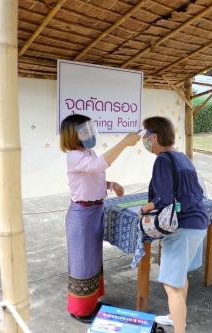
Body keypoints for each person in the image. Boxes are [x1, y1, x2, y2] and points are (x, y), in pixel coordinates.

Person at [59, 114, 140, 323]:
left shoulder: (88, 152)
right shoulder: (74, 155)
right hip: (82, 216)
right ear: (72, 135)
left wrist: (111, 185)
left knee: (93, 261)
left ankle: (92, 302)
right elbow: (97, 165)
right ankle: (80, 309)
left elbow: (92, 176)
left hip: (95, 211)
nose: (90, 133)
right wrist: (124, 143)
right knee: (82, 264)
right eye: (84, 130)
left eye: (89, 129)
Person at [138, 116, 208, 333]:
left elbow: (165, 200)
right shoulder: (182, 156)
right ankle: (175, 319)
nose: (144, 139)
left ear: (155, 136)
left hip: (182, 227)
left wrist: (147, 207)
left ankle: (179, 330)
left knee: (171, 285)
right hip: (197, 222)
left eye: (145, 135)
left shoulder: (163, 159)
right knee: (179, 278)